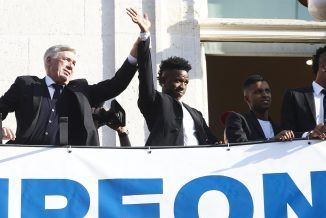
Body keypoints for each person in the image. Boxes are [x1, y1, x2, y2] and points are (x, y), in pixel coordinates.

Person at [0, 38, 139, 146]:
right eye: (67, 60)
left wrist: (133, 57)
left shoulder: (81, 91)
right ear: (49, 60)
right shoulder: (26, 85)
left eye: (74, 63)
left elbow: (114, 85)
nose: (71, 66)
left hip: (65, 165)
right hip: (22, 161)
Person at [127, 8, 218, 146]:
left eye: (186, 82)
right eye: (178, 80)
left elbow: (213, 142)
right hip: (168, 164)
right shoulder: (154, 101)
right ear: (163, 80)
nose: (183, 86)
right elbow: (145, 75)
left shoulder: (195, 114)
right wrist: (145, 36)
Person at [226, 74, 294, 143]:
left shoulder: (278, 128)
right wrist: (272, 141)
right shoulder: (238, 120)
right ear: (247, 99)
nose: (265, 95)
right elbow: (238, 146)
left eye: (267, 91)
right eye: (258, 92)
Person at [281, 45, 326, 140]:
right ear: (323, 67)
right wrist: (309, 134)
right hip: (305, 153)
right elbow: (285, 134)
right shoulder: (294, 96)